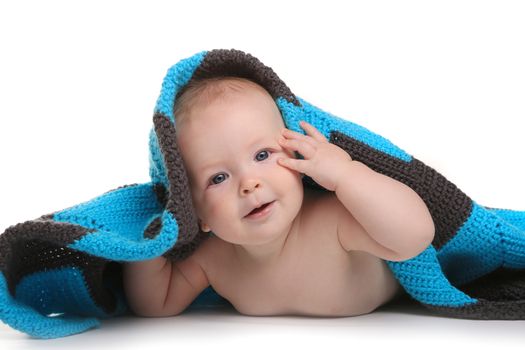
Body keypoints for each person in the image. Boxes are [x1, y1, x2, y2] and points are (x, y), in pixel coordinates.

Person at [122, 76, 435, 317]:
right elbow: (157, 303)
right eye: (218, 178)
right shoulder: (216, 258)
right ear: (195, 212)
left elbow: (414, 236)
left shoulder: (332, 220)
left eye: (262, 154)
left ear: (296, 156)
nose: (249, 184)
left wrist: (346, 174)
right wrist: (150, 242)